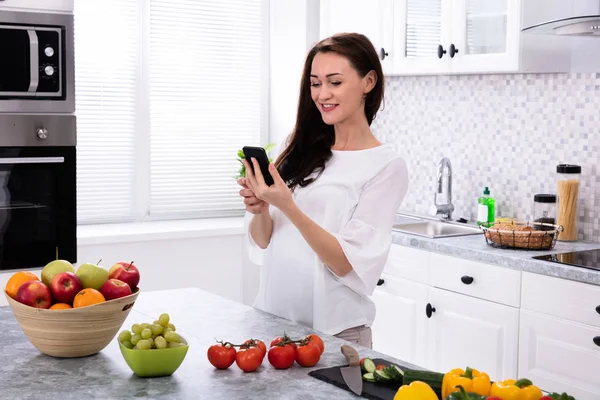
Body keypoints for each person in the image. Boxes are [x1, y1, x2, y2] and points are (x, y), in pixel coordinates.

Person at [238, 32, 409, 348]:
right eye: (315, 83)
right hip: (273, 326)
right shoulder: (299, 145)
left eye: (335, 82)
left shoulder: (386, 165)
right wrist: (261, 209)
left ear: (368, 82)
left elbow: (347, 262)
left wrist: (288, 205)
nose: (322, 94)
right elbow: (264, 240)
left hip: (335, 335)